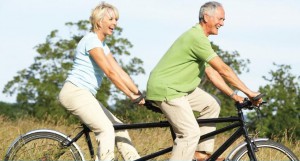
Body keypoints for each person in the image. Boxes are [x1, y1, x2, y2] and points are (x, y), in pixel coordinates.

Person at [146, 1, 262, 161]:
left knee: (211, 104)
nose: (222, 23)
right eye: (220, 19)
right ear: (206, 17)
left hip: (180, 88)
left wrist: (234, 95)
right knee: (190, 133)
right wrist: (249, 92)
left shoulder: (201, 39)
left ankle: (201, 154)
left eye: (223, 20)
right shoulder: (196, 37)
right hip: (168, 89)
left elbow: (212, 73)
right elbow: (223, 69)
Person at [58, 2, 144, 161]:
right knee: (106, 130)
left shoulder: (101, 45)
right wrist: (129, 95)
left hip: (85, 95)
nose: (115, 23)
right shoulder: (91, 40)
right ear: (99, 22)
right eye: (111, 19)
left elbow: (119, 71)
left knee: (119, 127)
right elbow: (110, 73)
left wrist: (139, 94)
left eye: (116, 19)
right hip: (75, 93)